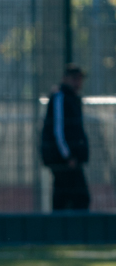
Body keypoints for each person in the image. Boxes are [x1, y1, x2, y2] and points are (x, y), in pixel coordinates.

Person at [41, 64, 90, 211]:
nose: (78, 82)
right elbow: (58, 130)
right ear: (65, 79)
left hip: (71, 160)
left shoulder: (73, 99)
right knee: (77, 198)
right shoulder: (60, 97)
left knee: (69, 199)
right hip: (64, 161)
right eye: (74, 78)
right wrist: (67, 156)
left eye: (80, 79)